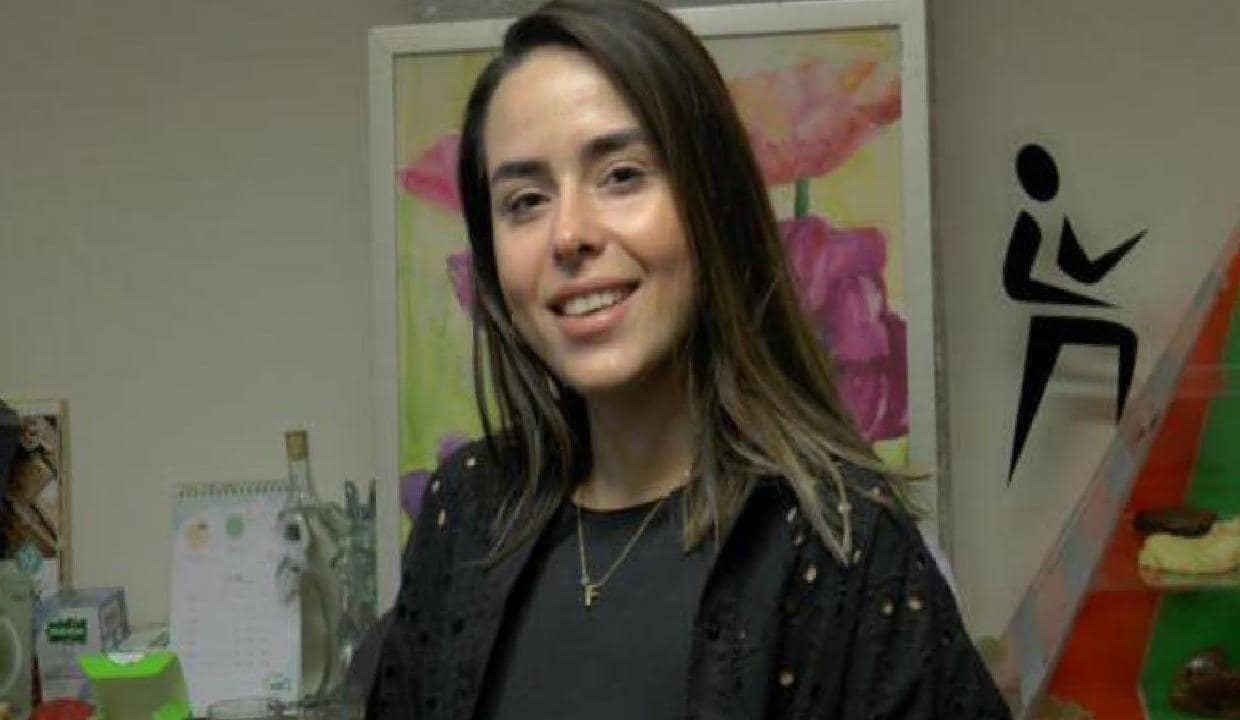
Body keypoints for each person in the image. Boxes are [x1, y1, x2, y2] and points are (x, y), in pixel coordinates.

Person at [368, 1, 1011, 718]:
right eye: (524, 201)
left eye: (621, 175)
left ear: (714, 203)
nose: (569, 235)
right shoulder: (467, 510)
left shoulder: (843, 547)